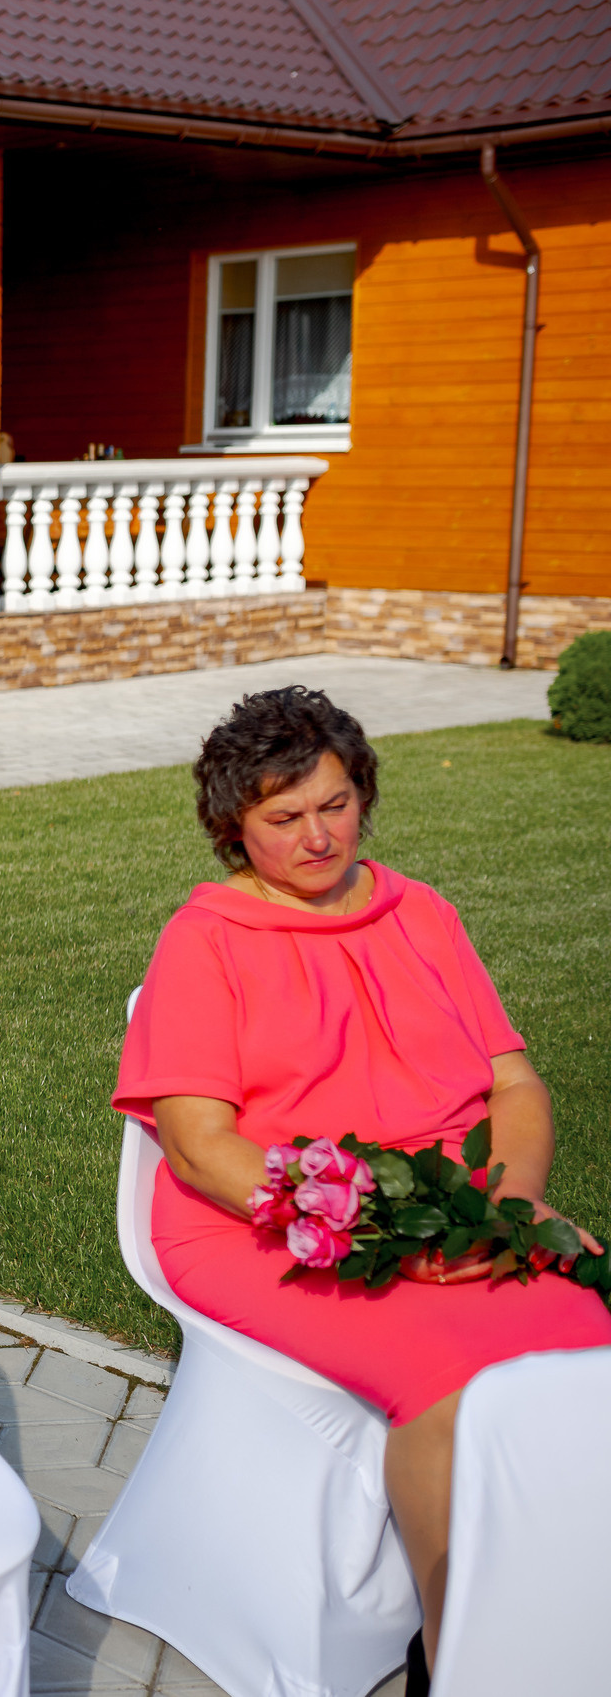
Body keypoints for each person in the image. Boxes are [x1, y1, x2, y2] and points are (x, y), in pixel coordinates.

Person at [114, 686, 611, 1690]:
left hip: (451, 1201)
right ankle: (458, 1652)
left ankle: (568, 1596)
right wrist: (385, 1231)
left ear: (363, 794)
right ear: (233, 823)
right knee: (452, 1386)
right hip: (263, 1222)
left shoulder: (418, 910)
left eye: (335, 805)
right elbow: (202, 1149)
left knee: (588, 1330)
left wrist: (507, 1205)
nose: (316, 837)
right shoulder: (205, 938)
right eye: (283, 816)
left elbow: (514, 1083)